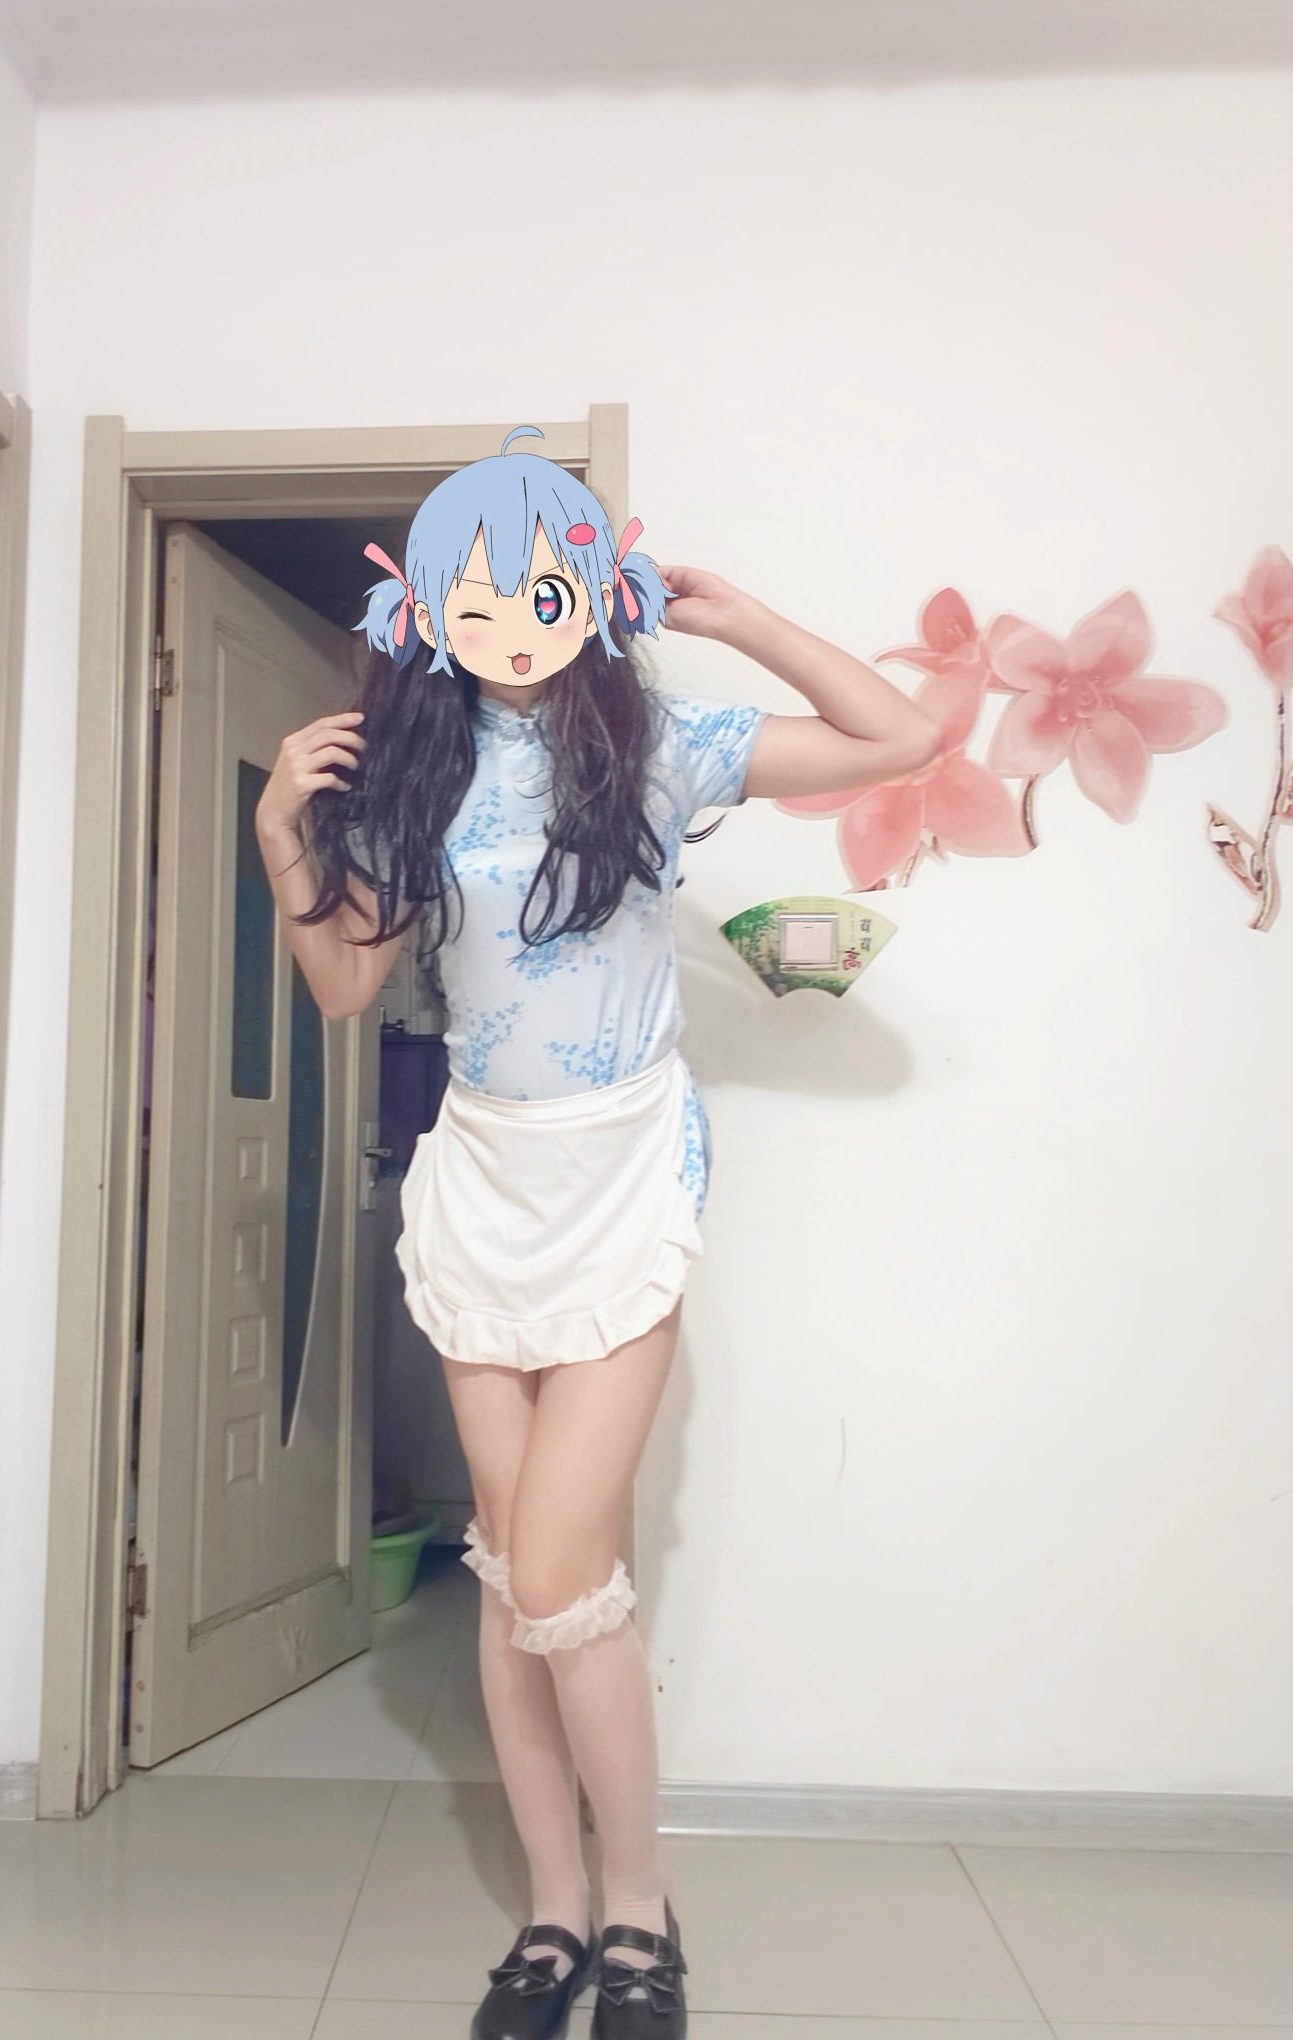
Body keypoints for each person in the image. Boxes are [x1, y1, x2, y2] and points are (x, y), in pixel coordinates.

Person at [255, 429, 937, 2040]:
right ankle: (558, 1911)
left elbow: (902, 733)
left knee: (563, 1563)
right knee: (515, 1581)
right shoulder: (414, 777)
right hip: (483, 1182)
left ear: (590, 589)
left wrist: (741, 618)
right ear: (429, 608)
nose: (511, 620)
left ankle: (642, 1907)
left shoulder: (660, 747)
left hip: (623, 1170)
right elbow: (346, 985)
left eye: (541, 587)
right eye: (478, 594)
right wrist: (284, 833)